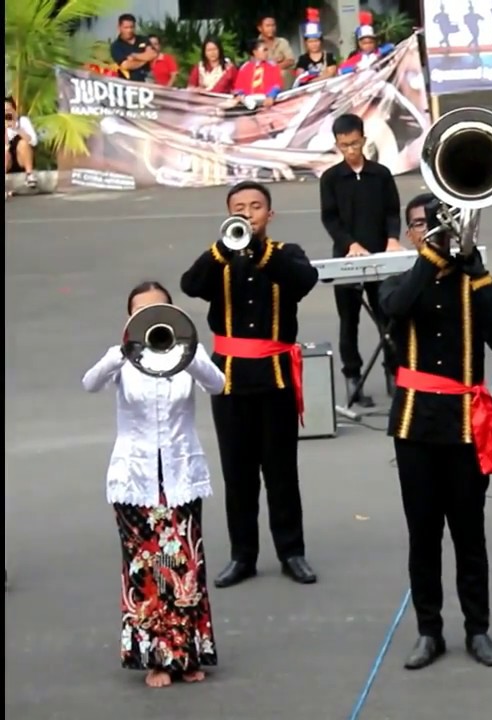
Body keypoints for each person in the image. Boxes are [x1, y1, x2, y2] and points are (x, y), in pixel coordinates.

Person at [379, 193, 492, 671]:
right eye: (420, 224)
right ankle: (428, 630)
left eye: (438, 223)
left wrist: (475, 266)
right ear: (410, 231)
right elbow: (397, 308)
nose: (430, 230)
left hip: (465, 427)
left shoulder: (471, 283)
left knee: (469, 534)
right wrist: (432, 256)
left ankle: (477, 629)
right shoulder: (400, 281)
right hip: (415, 426)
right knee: (423, 536)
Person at [179, 180, 321, 589]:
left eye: (255, 207)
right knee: (237, 472)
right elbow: (191, 285)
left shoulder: (286, 254)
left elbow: (302, 281)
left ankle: (291, 551)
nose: (248, 213)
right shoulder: (218, 259)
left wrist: (257, 251)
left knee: (281, 470)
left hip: (275, 374)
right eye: (239, 207)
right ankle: (243, 555)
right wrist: (224, 250)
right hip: (228, 379)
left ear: (269, 215)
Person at [82, 281, 223, 689]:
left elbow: (217, 384)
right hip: (135, 480)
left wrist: (191, 354)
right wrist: (118, 354)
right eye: (141, 311)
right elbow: (89, 383)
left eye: (158, 309)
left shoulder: (186, 356)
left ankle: (186, 654)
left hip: (180, 476)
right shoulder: (122, 360)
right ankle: (155, 658)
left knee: (185, 567)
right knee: (146, 570)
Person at [320, 113, 402, 406]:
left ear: (364, 141)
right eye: (344, 146)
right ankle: (353, 376)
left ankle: (394, 370)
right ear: (337, 145)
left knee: (388, 316)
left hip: (381, 253)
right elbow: (330, 219)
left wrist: (392, 238)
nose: (350, 151)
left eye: (354, 144)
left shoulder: (380, 174)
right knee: (349, 320)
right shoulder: (331, 179)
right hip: (348, 258)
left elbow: (393, 210)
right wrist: (350, 244)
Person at [232, 40, 285, 108]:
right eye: (264, 50)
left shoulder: (273, 66)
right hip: (248, 104)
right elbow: (239, 87)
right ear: (255, 52)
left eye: (267, 50)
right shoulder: (244, 68)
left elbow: (277, 84)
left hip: (268, 102)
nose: (267, 53)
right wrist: (240, 96)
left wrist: (271, 96)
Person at [294, 12, 337, 87]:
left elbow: (331, 73)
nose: (314, 44)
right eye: (310, 41)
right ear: (306, 43)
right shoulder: (303, 59)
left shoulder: (328, 56)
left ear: (321, 41)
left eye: (316, 41)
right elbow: (300, 76)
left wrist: (313, 81)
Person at [110, 14, 156, 83]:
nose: (129, 30)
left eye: (132, 27)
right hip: (129, 84)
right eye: (126, 27)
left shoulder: (143, 39)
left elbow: (152, 54)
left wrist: (134, 56)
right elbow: (125, 65)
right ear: (119, 27)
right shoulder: (116, 46)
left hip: (147, 80)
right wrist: (145, 59)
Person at [5, 97, 38, 191]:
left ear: (14, 110)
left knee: (23, 143)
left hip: (22, 160)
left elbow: (34, 142)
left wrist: (16, 128)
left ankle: (29, 175)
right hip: (8, 161)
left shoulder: (23, 121)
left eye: (8, 110)